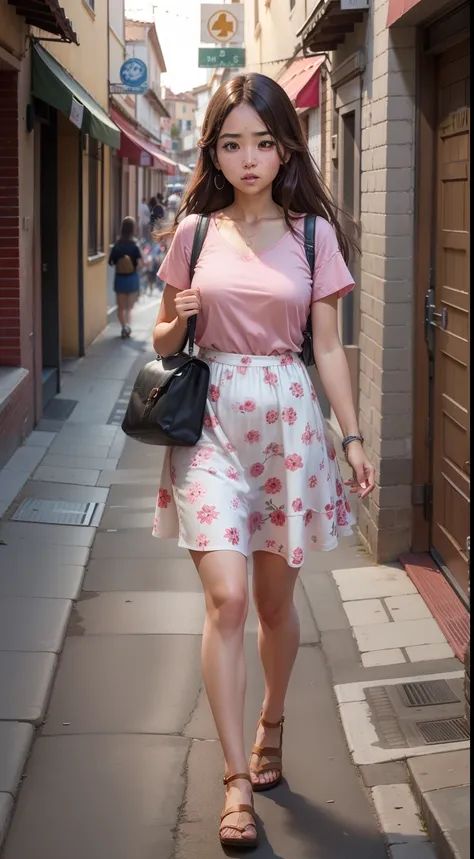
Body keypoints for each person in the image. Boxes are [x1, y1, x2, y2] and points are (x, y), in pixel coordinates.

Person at [152, 73, 375, 849]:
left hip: (286, 427)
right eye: (231, 143)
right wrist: (177, 319)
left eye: (263, 142)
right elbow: (159, 342)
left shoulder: (314, 234)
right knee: (229, 598)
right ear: (214, 150)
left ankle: (271, 722)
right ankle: (234, 781)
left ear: (286, 148)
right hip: (208, 422)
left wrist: (351, 437)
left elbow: (326, 347)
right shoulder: (195, 233)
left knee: (277, 608)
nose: (248, 158)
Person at [108, 216, 142, 338]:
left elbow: (111, 262)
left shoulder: (117, 245)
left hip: (120, 278)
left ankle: (124, 326)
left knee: (120, 307)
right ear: (133, 229)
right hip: (132, 278)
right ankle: (128, 325)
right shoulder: (135, 245)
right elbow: (139, 264)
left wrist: (120, 262)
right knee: (129, 307)